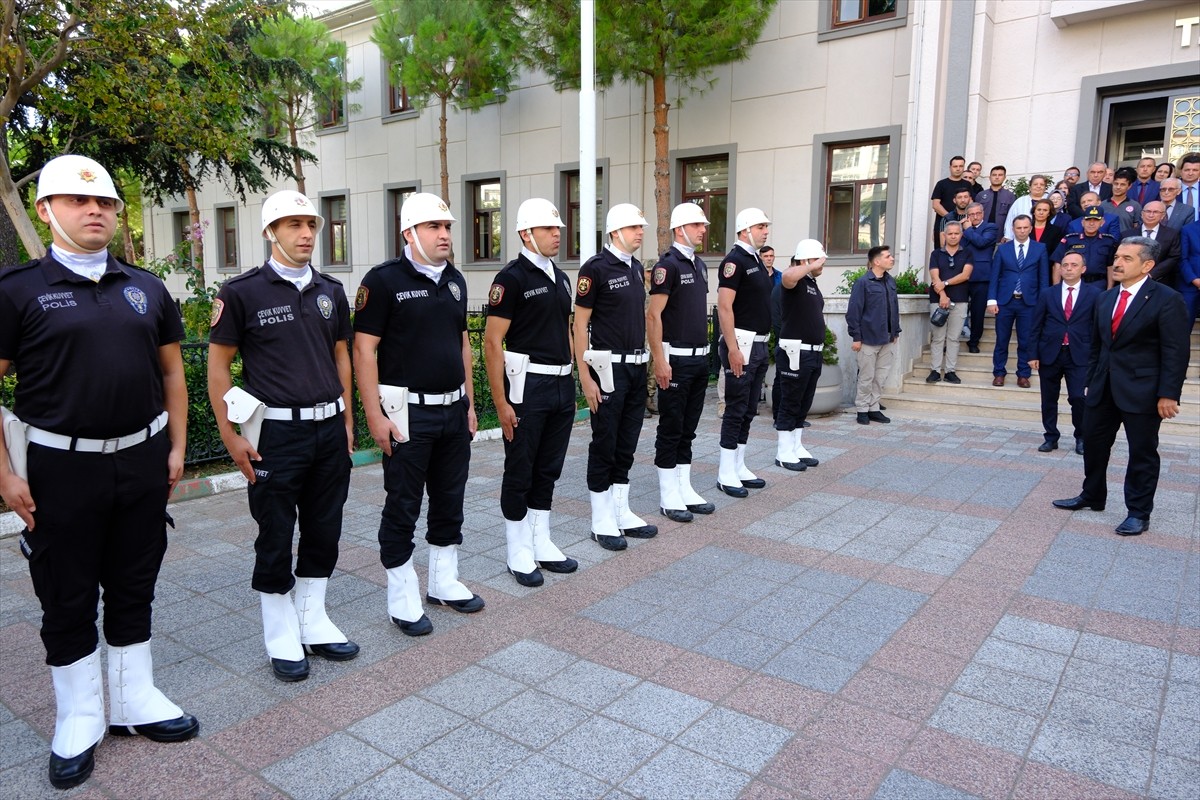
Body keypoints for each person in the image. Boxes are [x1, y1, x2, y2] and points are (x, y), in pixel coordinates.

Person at [0, 155, 197, 790]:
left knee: (135, 581)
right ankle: (79, 716)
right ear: (45, 210)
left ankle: (134, 699)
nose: (95, 212)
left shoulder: (145, 287)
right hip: (60, 467)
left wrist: (175, 448)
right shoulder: (16, 290)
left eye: (106, 204)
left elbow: (173, 372)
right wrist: (4, 474)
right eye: (78, 202)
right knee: (67, 593)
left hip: (142, 459)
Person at [207, 190, 359, 682]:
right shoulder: (242, 292)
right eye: (293, 225)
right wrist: (232, 436)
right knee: (275, 534)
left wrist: (348, 417)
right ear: (271, 232)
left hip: (328, 429)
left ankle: (312, 619)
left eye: (311, 224)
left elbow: (342, 356)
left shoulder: (331, 290)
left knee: (324, 528)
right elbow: (218, 368)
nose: (306, 234)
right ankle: (279, 632)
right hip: (274, 433)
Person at [354, 192, 484, 637]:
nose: (445, 234)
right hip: (407, 415)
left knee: (450, 502)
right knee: (403, 506)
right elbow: (364, 350)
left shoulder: (456, 281)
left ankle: (444, 582)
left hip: (452, 411)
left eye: (447, 226)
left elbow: (463, 343)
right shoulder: (383, 281)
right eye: (434, 227)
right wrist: (374, 416)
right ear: (409, 232)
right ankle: (403, 597)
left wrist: (469, 401)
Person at [1052, 238, 1189, 536]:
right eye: (1117, 257)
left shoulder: (1167, 299)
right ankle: (1093, 495)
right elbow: (1097, 346)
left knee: (1142, 452)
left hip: (1142, 390)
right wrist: (1089, 381)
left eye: (1127, 258)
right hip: (1103, 387)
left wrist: (1169, 394)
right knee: (1094, 444)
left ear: (1148, 265)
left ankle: (1138, 512)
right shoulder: (1105, 298)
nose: (1118, 263)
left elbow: (1176, 352)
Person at [482, 198, 579, 587]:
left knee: (548, 469)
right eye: (548, 229)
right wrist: (501, 402)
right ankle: (518, 550)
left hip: (560, 384)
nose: (557, 234)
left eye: (558, 229)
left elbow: (567, 330)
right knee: (520, 469)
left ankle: (541, 540)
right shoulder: (511, 279)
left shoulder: (561, 276)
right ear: (526, 233)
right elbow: (492, 343)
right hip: (527, 386)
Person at [574, 203, 658, 550]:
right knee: (605, 442)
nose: (640, 232)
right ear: (614, 232)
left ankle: (621, 510)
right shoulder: (595, 269)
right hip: (607, 369)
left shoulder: (637, 267)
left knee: (627, 443)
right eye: (634, 227)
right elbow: (578, 325)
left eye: (641, 227)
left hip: (636, 367)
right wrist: (586, 377)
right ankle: (601, 519)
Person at [647, 203, 717, 521]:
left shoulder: (699, 265)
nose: (703, 229)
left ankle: (684, 488)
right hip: (675, 360)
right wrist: (660, 360)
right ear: (680, 229)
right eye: (697, 225)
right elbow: (654, 315)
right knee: (671, 428)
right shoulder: (668, 266)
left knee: (688, 429)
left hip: (699, 360)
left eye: (703, 225)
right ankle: (668, 495)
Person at [715, 207, 774, 496]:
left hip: (759, 344)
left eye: (766, 226)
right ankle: (726, 472)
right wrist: (733, 348)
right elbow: (725, 306)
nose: (766, 230)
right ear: (745, 229)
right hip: (741, 343)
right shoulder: (734, 261)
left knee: (750, 408)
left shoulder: (755, 260)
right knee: (736, 408)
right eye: (761, 226)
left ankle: (738, 465)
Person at [1029, 253, 1100, 455]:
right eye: (1065, 265)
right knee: (1048, 398)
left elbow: (1097, 327)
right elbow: (1036, 326)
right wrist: (1032, 354)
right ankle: (1051, 437)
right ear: (1060, 269)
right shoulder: (1047, 294)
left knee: (1079, 397)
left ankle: (1082, 437)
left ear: (1083, 269)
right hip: (1050, 353)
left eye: (1074, 265)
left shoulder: (1095, 294)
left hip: (1080, 354)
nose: (1069, 268)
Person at [773, 239, 828, 469]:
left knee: (803, 402)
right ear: (806, 260)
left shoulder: (811, 283)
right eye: (818, 260)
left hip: (812, 353)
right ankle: (784, 451)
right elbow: (787, 277)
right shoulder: (793, 280)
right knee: (790, 401)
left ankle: (796, 445)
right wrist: (808, 264)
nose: (822, 264)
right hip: (796, 352)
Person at [988, 215, 1048, 388]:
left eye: (1025, 227)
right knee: (1002, 340)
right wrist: (992, 300)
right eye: (1018, 228)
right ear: (1013, 229)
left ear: (1030, 228)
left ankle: (1023, 374)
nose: (1022, 231)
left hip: (1029, 303)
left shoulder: (1040, 248)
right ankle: (999, 373)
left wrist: (1042, 304)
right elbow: (995, 276)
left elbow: (1043, 278)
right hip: (1005, 301)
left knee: (1026, 340)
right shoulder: (1003, 249)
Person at [847, 245, 901, 425]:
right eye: (888, 256)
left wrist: (895, 332)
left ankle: (873, 408)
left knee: (880, 377)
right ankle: (862, 409)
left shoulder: (890, 281)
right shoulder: (863, 282)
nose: (892, 258)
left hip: (887, 339)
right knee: (866, 377)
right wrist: (856, 337)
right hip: (868, 339)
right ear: (877, 261)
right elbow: (854, 311)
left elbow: (894, 308)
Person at [926, 221, 973, 384]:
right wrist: (943, 295)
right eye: (950, 233)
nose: (953, 236)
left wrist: (944, 284)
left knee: (953, 338)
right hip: (938, 300)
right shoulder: (936, 254)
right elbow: (934, 277)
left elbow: (965, 275)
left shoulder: (967, 253)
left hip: (960, 300)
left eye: (956, 233)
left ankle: (950, 371)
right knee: (938, 337)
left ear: (961, 235)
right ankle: (935, 370)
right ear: (944, 235)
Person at [961, 201, 999, 354]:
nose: (975, 217)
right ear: (967, 216)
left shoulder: (991, 227)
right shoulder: (961, 228)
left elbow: (981, 243)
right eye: (972, 214)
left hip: (981, 276)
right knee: (958, 310)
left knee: (977, 312)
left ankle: (974, 341)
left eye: (978, 213)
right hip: (961, 276)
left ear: (982, 214)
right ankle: (952, 340)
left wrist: (968, 229)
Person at [1120, 201, 1181, 286]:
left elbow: (1173, 257)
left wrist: (1151, 274)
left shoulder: (1171, 234)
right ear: (1142, 214)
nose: (1151, 215)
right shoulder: (1127, 235)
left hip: (1161, 281)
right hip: (1131, 280)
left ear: (1163, 216)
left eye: (1155, 212)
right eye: (1148, 211)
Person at [1053, 207, 1117, 286]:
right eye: (1088, 220)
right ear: (1082, 222)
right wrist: (1056, 287)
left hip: (1099, 284)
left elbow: (1110, 267)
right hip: (1074, 284)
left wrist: (1109, 289)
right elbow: (1058, 264)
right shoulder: (1070, 240)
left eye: (1096, 220)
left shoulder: (1108, 241)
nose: (1091, 223)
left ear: (1102, 222)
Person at [930, 156, 973, 248]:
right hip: (943, 222)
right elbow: (936, 205)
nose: (958, 169)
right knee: (941, 250)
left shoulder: (967, 184)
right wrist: (949, 216)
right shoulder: (941, 184)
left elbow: (971, 202)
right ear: (950, 167)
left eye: (961, 166)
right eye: (955, 166)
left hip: (963, 222)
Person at [1005, 174, 1050, 240]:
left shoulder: (1050, 201)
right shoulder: (1020, 201)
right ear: (1030, 187)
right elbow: (1010, 220)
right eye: (1035, 184)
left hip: (1045, 237)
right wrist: (1008, 237)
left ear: (1045, 187)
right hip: (1021, 238)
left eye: (1042, 184)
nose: (1038, 186)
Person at [976, 165, 1016, 236]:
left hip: (1000, 235)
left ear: (1004, 177)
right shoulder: (981, 195)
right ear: (989, 177)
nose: (997, 177)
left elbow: (1012, 217)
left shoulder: (1010, 196)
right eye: (994, 175)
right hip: (981, 233)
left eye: (1000, 175)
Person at [1030, 198, 1065, 269]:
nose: (1041, 213)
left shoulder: (1056, 231)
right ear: (1034, 211)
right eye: (1039, 210)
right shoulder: (1026, 228)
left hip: (1047, 268)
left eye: (1045, 210)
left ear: (1049, 213)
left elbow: (1056, 254)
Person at [1180, 219, 1200, 332]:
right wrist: (1194, 279)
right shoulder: (1187, 229)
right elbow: (1183, 258)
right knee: (1183, 328)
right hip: (1191, 285)